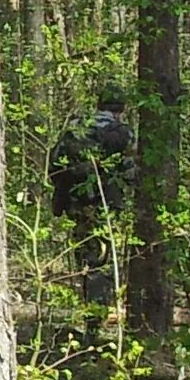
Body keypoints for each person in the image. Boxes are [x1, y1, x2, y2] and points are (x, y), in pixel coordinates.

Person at [50, 93, 137, 310]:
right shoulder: (121, 133)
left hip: (75, 203)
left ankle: (89, 305)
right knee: (102, 259)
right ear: (120, 110)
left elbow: (54, 165)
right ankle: (96, 316)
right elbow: (130, 172)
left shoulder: (76, 127)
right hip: (104, 205)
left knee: (85, 254)